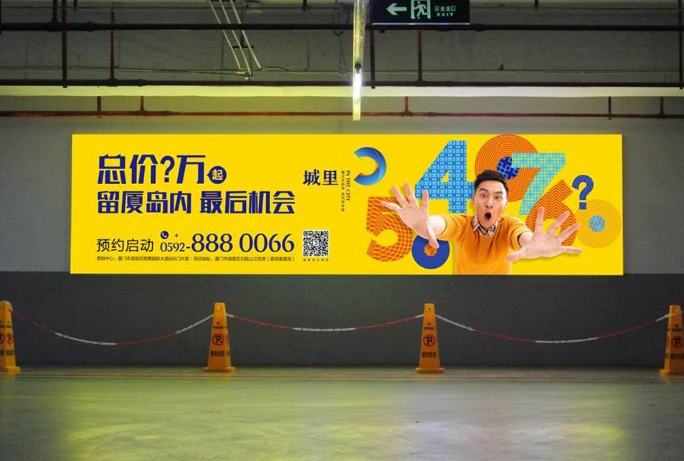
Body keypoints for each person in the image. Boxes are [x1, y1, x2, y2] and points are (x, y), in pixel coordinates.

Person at [381, 169, 582, 274]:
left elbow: (523, 236)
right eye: (483, 195)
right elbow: (442, 223)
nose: (489, 203)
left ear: (505, 204)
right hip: (463, 297)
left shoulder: (509, 225)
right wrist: (425, 225)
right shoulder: (462, 225)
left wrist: (533, 244)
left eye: (497, 197)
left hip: (500, 299)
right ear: (474, 200)